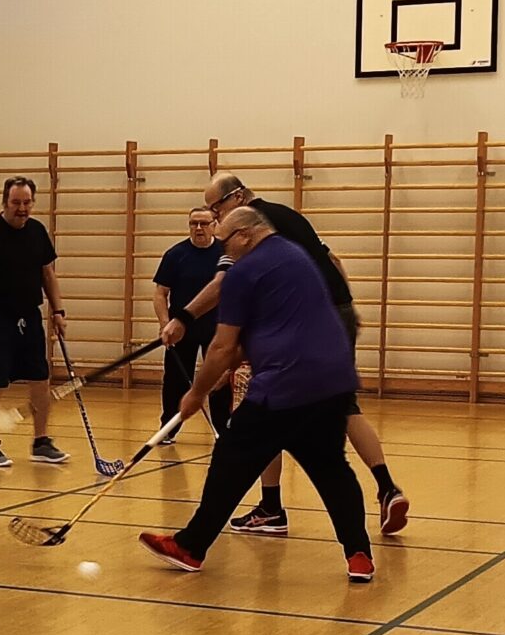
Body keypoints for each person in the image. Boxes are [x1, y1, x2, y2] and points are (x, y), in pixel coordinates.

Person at [160, 172, 409, 536]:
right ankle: (386, 487)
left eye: (216, 207)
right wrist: (345, 309)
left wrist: (183, 318)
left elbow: (223, 285)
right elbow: (333, 259)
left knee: (266, 404)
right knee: (343, 406)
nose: (214, 218)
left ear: (238, 197)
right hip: (335, 316)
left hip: (298, 326)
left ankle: (270, 507)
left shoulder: (249, 230)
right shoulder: (289, 215)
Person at [140, 207, 376, 582]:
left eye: (226, 242)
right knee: (332, 468)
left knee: (229, 459)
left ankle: (190, 547)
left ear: (246, 235)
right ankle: (359, 554)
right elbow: (274, 328)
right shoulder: (297, 256)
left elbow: (221, 346)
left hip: (282, 387)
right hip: (332, 381)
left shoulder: (243, 273)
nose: (224, 252)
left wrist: (196, 393)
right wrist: (227, 369)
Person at [0, 176, 68, 469]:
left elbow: (48, 274)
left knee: (40, 379)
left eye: (27, 202)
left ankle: (41, 442)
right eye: (16, 202)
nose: (22, 208)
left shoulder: (37, 231)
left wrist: (58, 311)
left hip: (29, 316)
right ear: (5, 202)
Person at [152, 207, 231, 435]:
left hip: (217, 329)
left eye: (204, 223)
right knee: (175, 381)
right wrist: (165, 324)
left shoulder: (225, 253)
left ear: (214, 225)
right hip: (182, 330)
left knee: (219, 379)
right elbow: (160, 294)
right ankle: (168, 429)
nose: (198, 228)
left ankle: (222, 430)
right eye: (193, 223)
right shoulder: (175, 254)